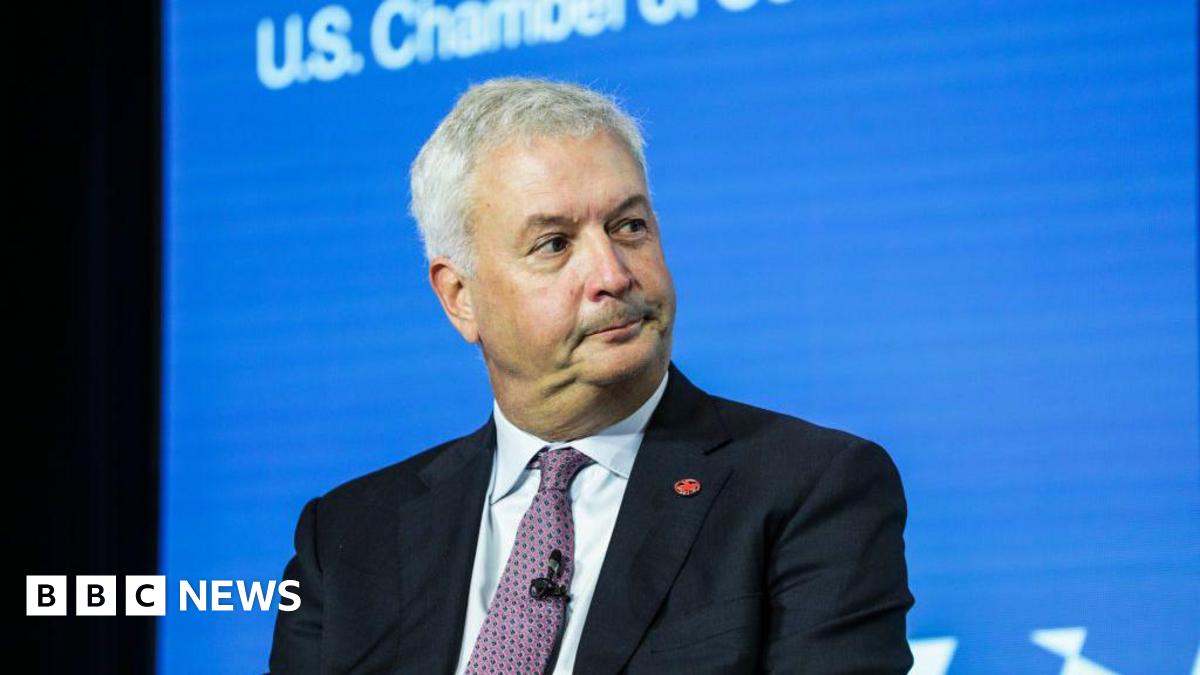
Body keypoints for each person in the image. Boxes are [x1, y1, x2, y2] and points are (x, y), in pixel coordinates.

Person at [269, 77, 914, 674]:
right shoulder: (348, 539)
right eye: (555, 244)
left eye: (628, 226)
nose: (613, 275)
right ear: (460, 297)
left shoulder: (812, 491)